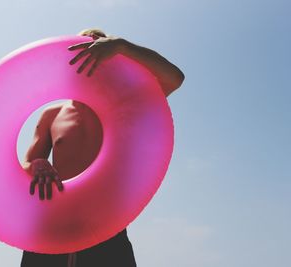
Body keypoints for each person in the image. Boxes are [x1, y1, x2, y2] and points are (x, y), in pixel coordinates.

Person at [20, 28, 184, 267]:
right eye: (82, 52)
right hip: (52, 226)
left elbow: (174, 78)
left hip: (106, 226)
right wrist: (37, 164)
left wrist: (121, 45)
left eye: (97, 53)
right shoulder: (52, 115)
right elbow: (23, 166)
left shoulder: (124, 109)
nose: (89, 59)